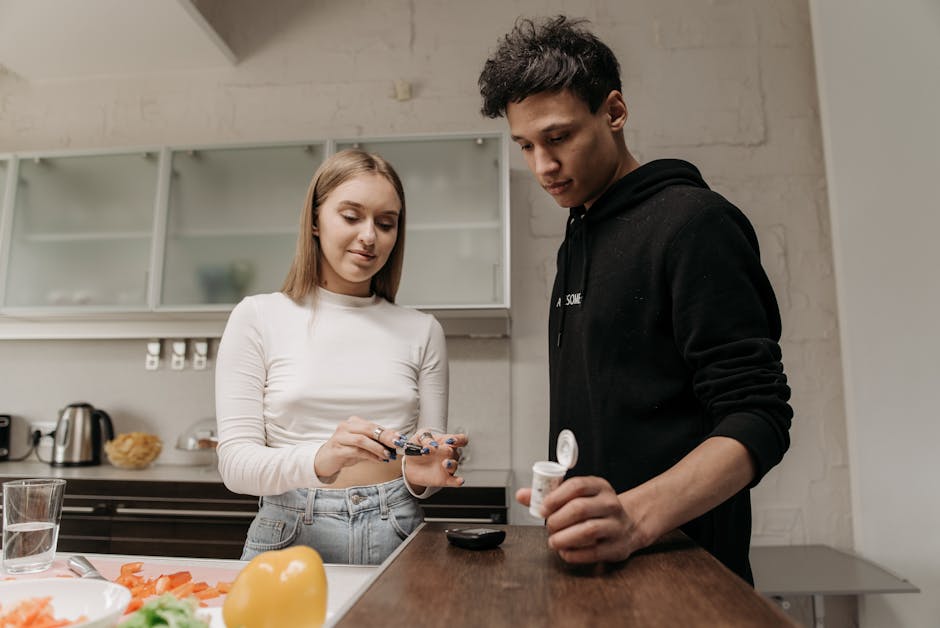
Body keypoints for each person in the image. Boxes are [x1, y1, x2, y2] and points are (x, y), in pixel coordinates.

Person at [478, 16, 792, 583]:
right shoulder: (579, 235)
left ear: (614, 112)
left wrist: (633, 517)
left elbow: (759, 416)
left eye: (558, 137)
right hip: (594, 568)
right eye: (525, 145)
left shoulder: (696, 223)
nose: (542, 167)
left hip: (688, 577)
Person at [215, 149, 467, 565]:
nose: (370, 236)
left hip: (399, 530)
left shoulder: (423, 330)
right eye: (351, 217)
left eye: (385, 223)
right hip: (289, 530)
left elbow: (423, 466)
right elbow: (236, 465)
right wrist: (321, 458)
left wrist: (424, 474)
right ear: (315, 221)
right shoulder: (258, 317)